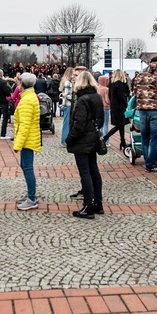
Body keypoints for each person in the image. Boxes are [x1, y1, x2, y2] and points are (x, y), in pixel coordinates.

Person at [66, 71, 104, 219]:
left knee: (85, 172)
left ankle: (88, 206)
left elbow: (79, 124)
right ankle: (98, 203)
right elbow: (100, 120)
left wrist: (70, 138)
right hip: (92, 137)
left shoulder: (82, 100)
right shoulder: (97, 97)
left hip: (82, 140)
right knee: (94, 170)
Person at [132, 56, 157, 172]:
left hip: (143, 110)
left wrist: (140, 103)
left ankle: (147, 160)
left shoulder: (140, 76)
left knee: (145, 137)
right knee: (155, 138)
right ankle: (151, 163)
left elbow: (135, 92)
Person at [13, 73, 42, 211]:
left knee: (28, 168)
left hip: (27, 139)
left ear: (22, 84)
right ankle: (31, 195)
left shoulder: (26, 100)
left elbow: (24, 125)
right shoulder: (30, 97)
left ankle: (32, 198)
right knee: (25, 166)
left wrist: (17, 144)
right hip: (29, 138)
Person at [103, 70, 130, 149]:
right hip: (120, 107)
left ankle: (122, 141)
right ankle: (105, 138)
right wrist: (126, 104)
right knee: (119, 125)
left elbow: (110, 95)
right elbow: (121, 96)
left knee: (121, 125)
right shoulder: (120, 84)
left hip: (114, 106)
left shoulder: (112, 84)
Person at [58, 67, 75, 146]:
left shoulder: (65, 81)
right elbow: (67, 95)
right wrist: (74, 98)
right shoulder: (68, 82)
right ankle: (64, 141)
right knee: (67, 123)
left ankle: (65, 140)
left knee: (67, 123)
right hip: (68, 104)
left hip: (66, 104)